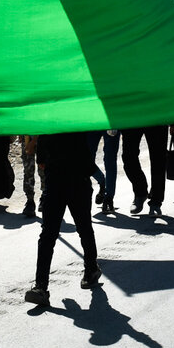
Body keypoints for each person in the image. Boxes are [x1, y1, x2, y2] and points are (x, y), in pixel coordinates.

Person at [24, 132, 101, 305]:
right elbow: (42, 161)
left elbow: (83, 156)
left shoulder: (74, 123)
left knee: (83, 228)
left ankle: (91, 269)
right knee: (48, 235)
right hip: (56, 184)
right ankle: (41, 287)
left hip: (77, 183)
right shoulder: (49, 126)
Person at [121, 124, 169, 217]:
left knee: (158, 159)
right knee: (128, 157)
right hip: (131, 117)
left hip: (157, 116)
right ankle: (141, 192)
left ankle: (156, 202)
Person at [91, 130, 120, 214]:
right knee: (87, 159)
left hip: (110, 122)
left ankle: (109, 198)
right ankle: (102, 181)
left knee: (110, 160)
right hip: (91, 121)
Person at [19, 135, 37, 217]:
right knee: (28, 171)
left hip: (43, 137)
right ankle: (30, 201)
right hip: (27, 138)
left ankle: (45, 197)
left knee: (44, 171)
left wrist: (33, 142)